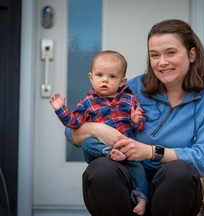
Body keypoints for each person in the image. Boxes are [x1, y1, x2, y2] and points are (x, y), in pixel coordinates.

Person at [66, 19, 204, 216]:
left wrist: (150, 152)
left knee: (181, 173)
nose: (162, 62)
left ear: (191, 54)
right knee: (101, 169)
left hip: (173, 187)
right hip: (128, 177)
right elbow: (71, 133)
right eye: (154, 55)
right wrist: (98, 129)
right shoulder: (133, 88)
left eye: (171, 53)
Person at [49, 50, 148, 215]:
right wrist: (61, 110)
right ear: (91, 77)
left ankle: (142, 198)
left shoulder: (129, 99)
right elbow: (74, 123)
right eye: (100, 75)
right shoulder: (88, 102)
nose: (105, 80)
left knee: (138, 169)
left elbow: (139, 127)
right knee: (88, 142)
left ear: (122, 81)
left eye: (112, 77)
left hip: (126, 148)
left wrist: (137, 120)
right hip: (100, 150)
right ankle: (109, 152)